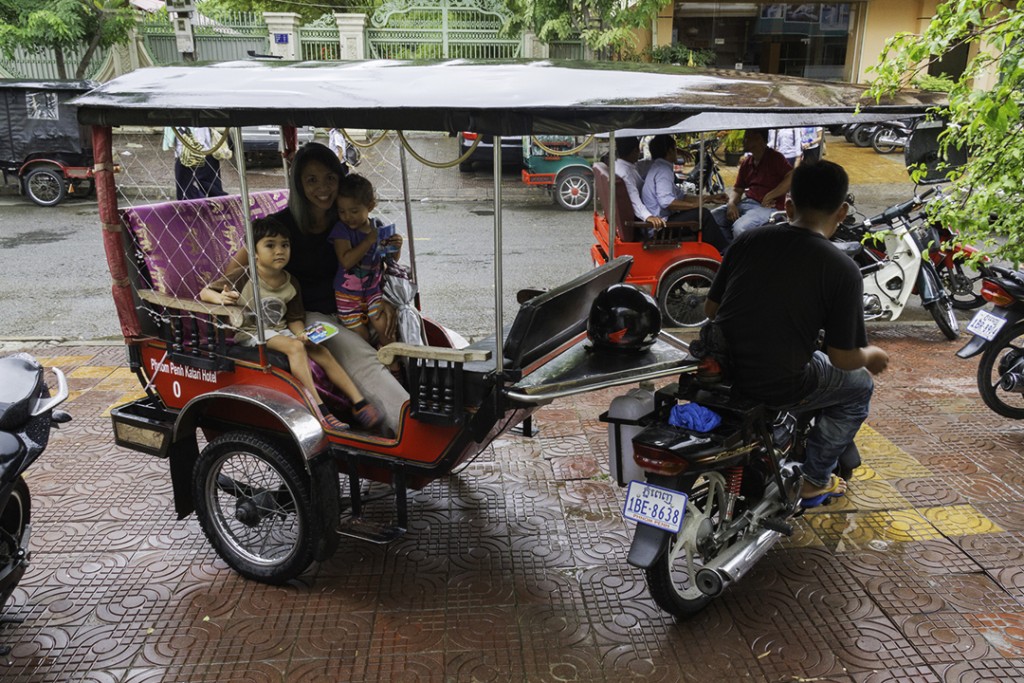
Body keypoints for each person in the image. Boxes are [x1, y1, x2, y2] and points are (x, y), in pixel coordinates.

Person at [704, 160, 888, 505]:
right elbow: (842, 357)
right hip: (779, 383)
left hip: (722, 371)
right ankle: (815, 479)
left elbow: (711, 310)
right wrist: (873, 356)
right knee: (859, 387)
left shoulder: (748, 241)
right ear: (843, 212)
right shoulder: (842, 268)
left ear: (787, 204)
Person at [224, 142, 409, 436]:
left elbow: (374, 263)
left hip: (355, 305)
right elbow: (234, 270)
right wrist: (229, 293)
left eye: (330, 179)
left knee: (406, 328)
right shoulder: (280, 226)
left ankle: (430, 398)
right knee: (361, 356)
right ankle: (406, 425)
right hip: (308, 315)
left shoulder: (348, 218)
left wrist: (390, 268)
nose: (323, 188)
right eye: (311, 180)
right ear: (299, 184)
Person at [201, 216, 382, 431]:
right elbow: (205, 291)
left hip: (280, 331)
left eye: (284, 245)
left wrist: (302, 335)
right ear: (254, 252)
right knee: (295, 347)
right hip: (250, 333)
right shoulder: (243, 276)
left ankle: (359, 403)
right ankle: (319, 409)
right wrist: (221, 299)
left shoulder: (290, 281)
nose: (279, 251)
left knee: (319, 349)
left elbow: (295, 318)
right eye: (270, 245)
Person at [328, 173, 404, 346]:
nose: (348, 216)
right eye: (342, 211)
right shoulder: (342, 230)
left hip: (374, 292)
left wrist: (397, 246)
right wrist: (369, 240)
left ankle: (394, 366)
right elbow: (346, 261)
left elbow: (390, 259)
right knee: (362, 340)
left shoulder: (377, 226)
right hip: (347, 295)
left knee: (386, 327)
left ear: (370, 206)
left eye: (354, 211)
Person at [640, 134, 730, 252]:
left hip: (661, 222)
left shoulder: (659, 166)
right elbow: (667, 202)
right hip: (659, 227)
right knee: (703, 214)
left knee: (700, 213)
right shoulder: (663, 170)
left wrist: (709, 198)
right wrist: (694, 206)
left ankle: (714, 250)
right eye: (675, 149)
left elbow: (681, 196)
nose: (677, 153)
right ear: (670, 151)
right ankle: (724, 252)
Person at [710, 129, 792, 240]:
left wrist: (771, 195)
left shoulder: (775, 158)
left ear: (758, 138)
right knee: (712, 218)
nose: (744, 140)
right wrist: (731, 203)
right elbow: (738, 189)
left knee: (740, 228)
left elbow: (792, 176)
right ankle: (729, 248)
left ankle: (742, 254)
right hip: (748, 203)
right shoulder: (746, 162)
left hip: (769, 208)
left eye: (747, 137)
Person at [613, 136, 664, 231]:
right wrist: (648, 216)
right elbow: (634, 199)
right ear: (635, 150)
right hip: (639, 217)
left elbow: (644, 164)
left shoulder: (621, 165)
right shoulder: (626, 173)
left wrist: (667, 155)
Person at [162, 126, 227, 200]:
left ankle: (210, 206)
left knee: (188, 192)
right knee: (187, 191)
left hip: (198, 152)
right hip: (193, 152)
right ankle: (211, 206)